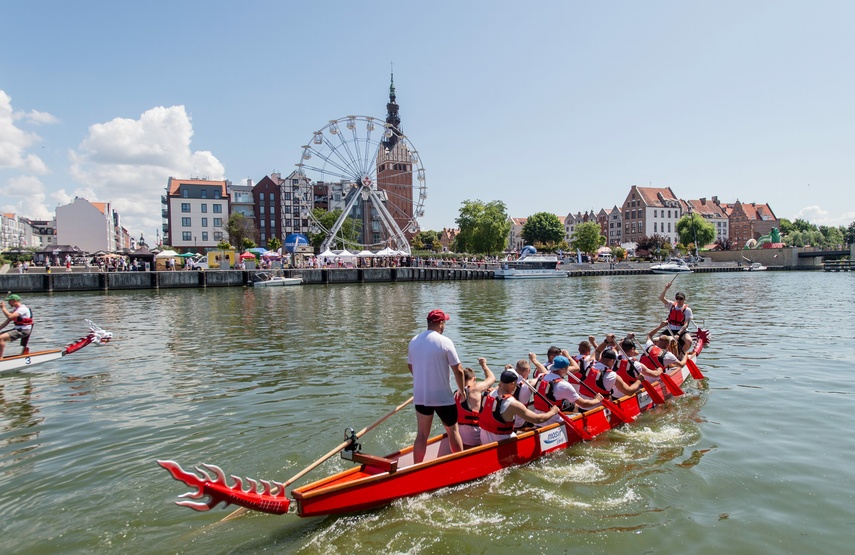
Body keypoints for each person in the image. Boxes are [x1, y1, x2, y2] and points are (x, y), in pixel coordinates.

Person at [407, 309, 467, 463]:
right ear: (441, 323)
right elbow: (458, 370)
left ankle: (416, 468)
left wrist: (422, 382)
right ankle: (459, 465)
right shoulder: (444, 341)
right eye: (444, 322)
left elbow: (411, 367)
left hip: (421, 397)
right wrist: (461, 390)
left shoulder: (414, 341)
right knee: (453, 431)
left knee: (422, 434)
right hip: (443, 398)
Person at [479, 370, 562, 444]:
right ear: (512, 384)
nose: (516, 387)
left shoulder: (489, 394)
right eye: (516, 384)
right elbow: (538, 419)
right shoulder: (512, 403)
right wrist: (553, 412)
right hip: (503, 443)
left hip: (485, 440)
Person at [533, 356, 603, 426]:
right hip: (553, 423)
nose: (568, 370)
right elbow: (584, 404)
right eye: (567, 368)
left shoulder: (541, 376)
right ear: (563, 369)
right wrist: (597, 400)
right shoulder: (564, 385)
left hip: (538, 420)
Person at [456, 357, 496, 448]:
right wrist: (484, 365)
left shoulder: (456, 393)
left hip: (460, 436)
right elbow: (492, 378)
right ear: (474, 379)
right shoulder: (475, 389)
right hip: (475, 437)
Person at [652, 282, 694, 354]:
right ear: (675, 299)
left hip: (681, 331)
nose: (679, 300)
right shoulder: (671, 305)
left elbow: (686, 324)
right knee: (654, 340)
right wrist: (666, 289)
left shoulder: (687, 310)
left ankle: (681, 355)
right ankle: (659, 356)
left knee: (689, 341)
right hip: (670, 329)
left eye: (681, 298)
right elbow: (661, 298)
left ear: (684, 299)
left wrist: (678, 334)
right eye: (677, 298)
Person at [0, 294, 33, 358]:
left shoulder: (22, 309)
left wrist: (3, 308)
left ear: (14, 301)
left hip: (24, 330)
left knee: (0, 338)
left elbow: (10, 316)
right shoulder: (16, 310)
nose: (8, 303)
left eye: (9, 301)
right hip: (17, 329)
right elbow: (6, 322)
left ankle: (0, 359)